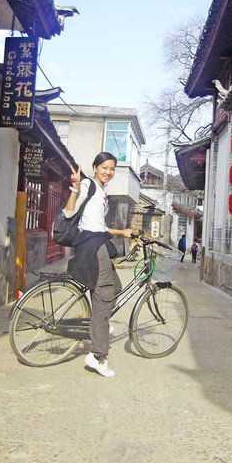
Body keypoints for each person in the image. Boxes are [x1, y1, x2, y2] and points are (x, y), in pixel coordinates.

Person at [64, 152, 133, 378]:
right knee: (104, 297)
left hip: (99, 242)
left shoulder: (101, 192)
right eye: (104, 167)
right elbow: (69, 212)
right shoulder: (87, 185)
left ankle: (98, 324)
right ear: (95, 167)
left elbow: (99, 226)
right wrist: (75, 189)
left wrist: (122, 232)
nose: (108, 172)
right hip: (92, 247)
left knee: (115, 287)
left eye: (112, 168)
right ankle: (97, 355)